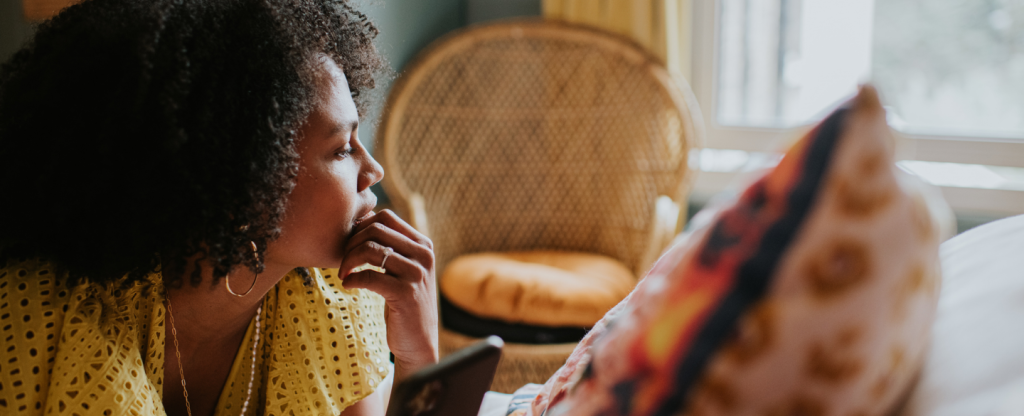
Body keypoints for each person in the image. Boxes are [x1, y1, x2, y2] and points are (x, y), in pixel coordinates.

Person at [0, 0, 438, 415]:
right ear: (244, 177)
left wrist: (419, 356)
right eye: (342, 149)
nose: (374, 170)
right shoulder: (39, 322)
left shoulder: (332, 298)